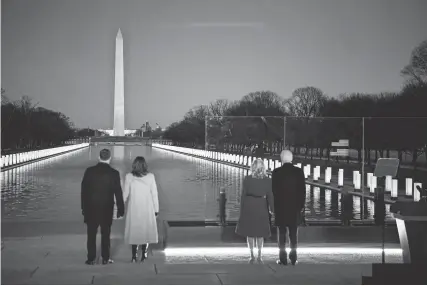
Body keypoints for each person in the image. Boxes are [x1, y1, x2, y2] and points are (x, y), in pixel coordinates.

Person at [81, 148, 125, 265]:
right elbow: (118, 192)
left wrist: (83, 209)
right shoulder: (114, 173)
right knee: (106, 234)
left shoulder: (89, 171)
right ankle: (105, 258)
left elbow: (83, 192)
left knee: (91, 235)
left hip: (91, 208)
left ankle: (91, 259)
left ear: (99, 157)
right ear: (110, 158)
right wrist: (121, 209)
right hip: (107, 208)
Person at [271, 150, 306, 266]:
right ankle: (294, 257)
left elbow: (273, 191)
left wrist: (273, 207)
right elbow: (302, 192)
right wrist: (301, 206)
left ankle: (282, 258)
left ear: (281, 159)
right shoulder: (299, 172)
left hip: (280, 208)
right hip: (294, 208)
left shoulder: (276, 172)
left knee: (281, 234)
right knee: (293, 233)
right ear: (291, 159)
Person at [236, 159, 274, 263]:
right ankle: (260, 256)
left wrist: (241, 210)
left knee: (250, 232)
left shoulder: (247, 179)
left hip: (249, 205)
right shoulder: (268, 180)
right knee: (260, 233)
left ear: (252, 167)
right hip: (261, 205)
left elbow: (243, 196)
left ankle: (252, 255)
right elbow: (270, 196)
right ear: (263, 167)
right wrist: (272, 209)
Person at [123, 156, 159, 263]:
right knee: (145, 230)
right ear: (145, 165)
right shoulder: (150, 176)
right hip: (147, 207)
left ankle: (134, 256)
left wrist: (118, 206)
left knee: (135, 230)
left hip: (134, 207)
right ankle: (144, 254)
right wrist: (156, 209)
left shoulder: (129, 176)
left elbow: (125, 194)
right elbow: (154, 195)